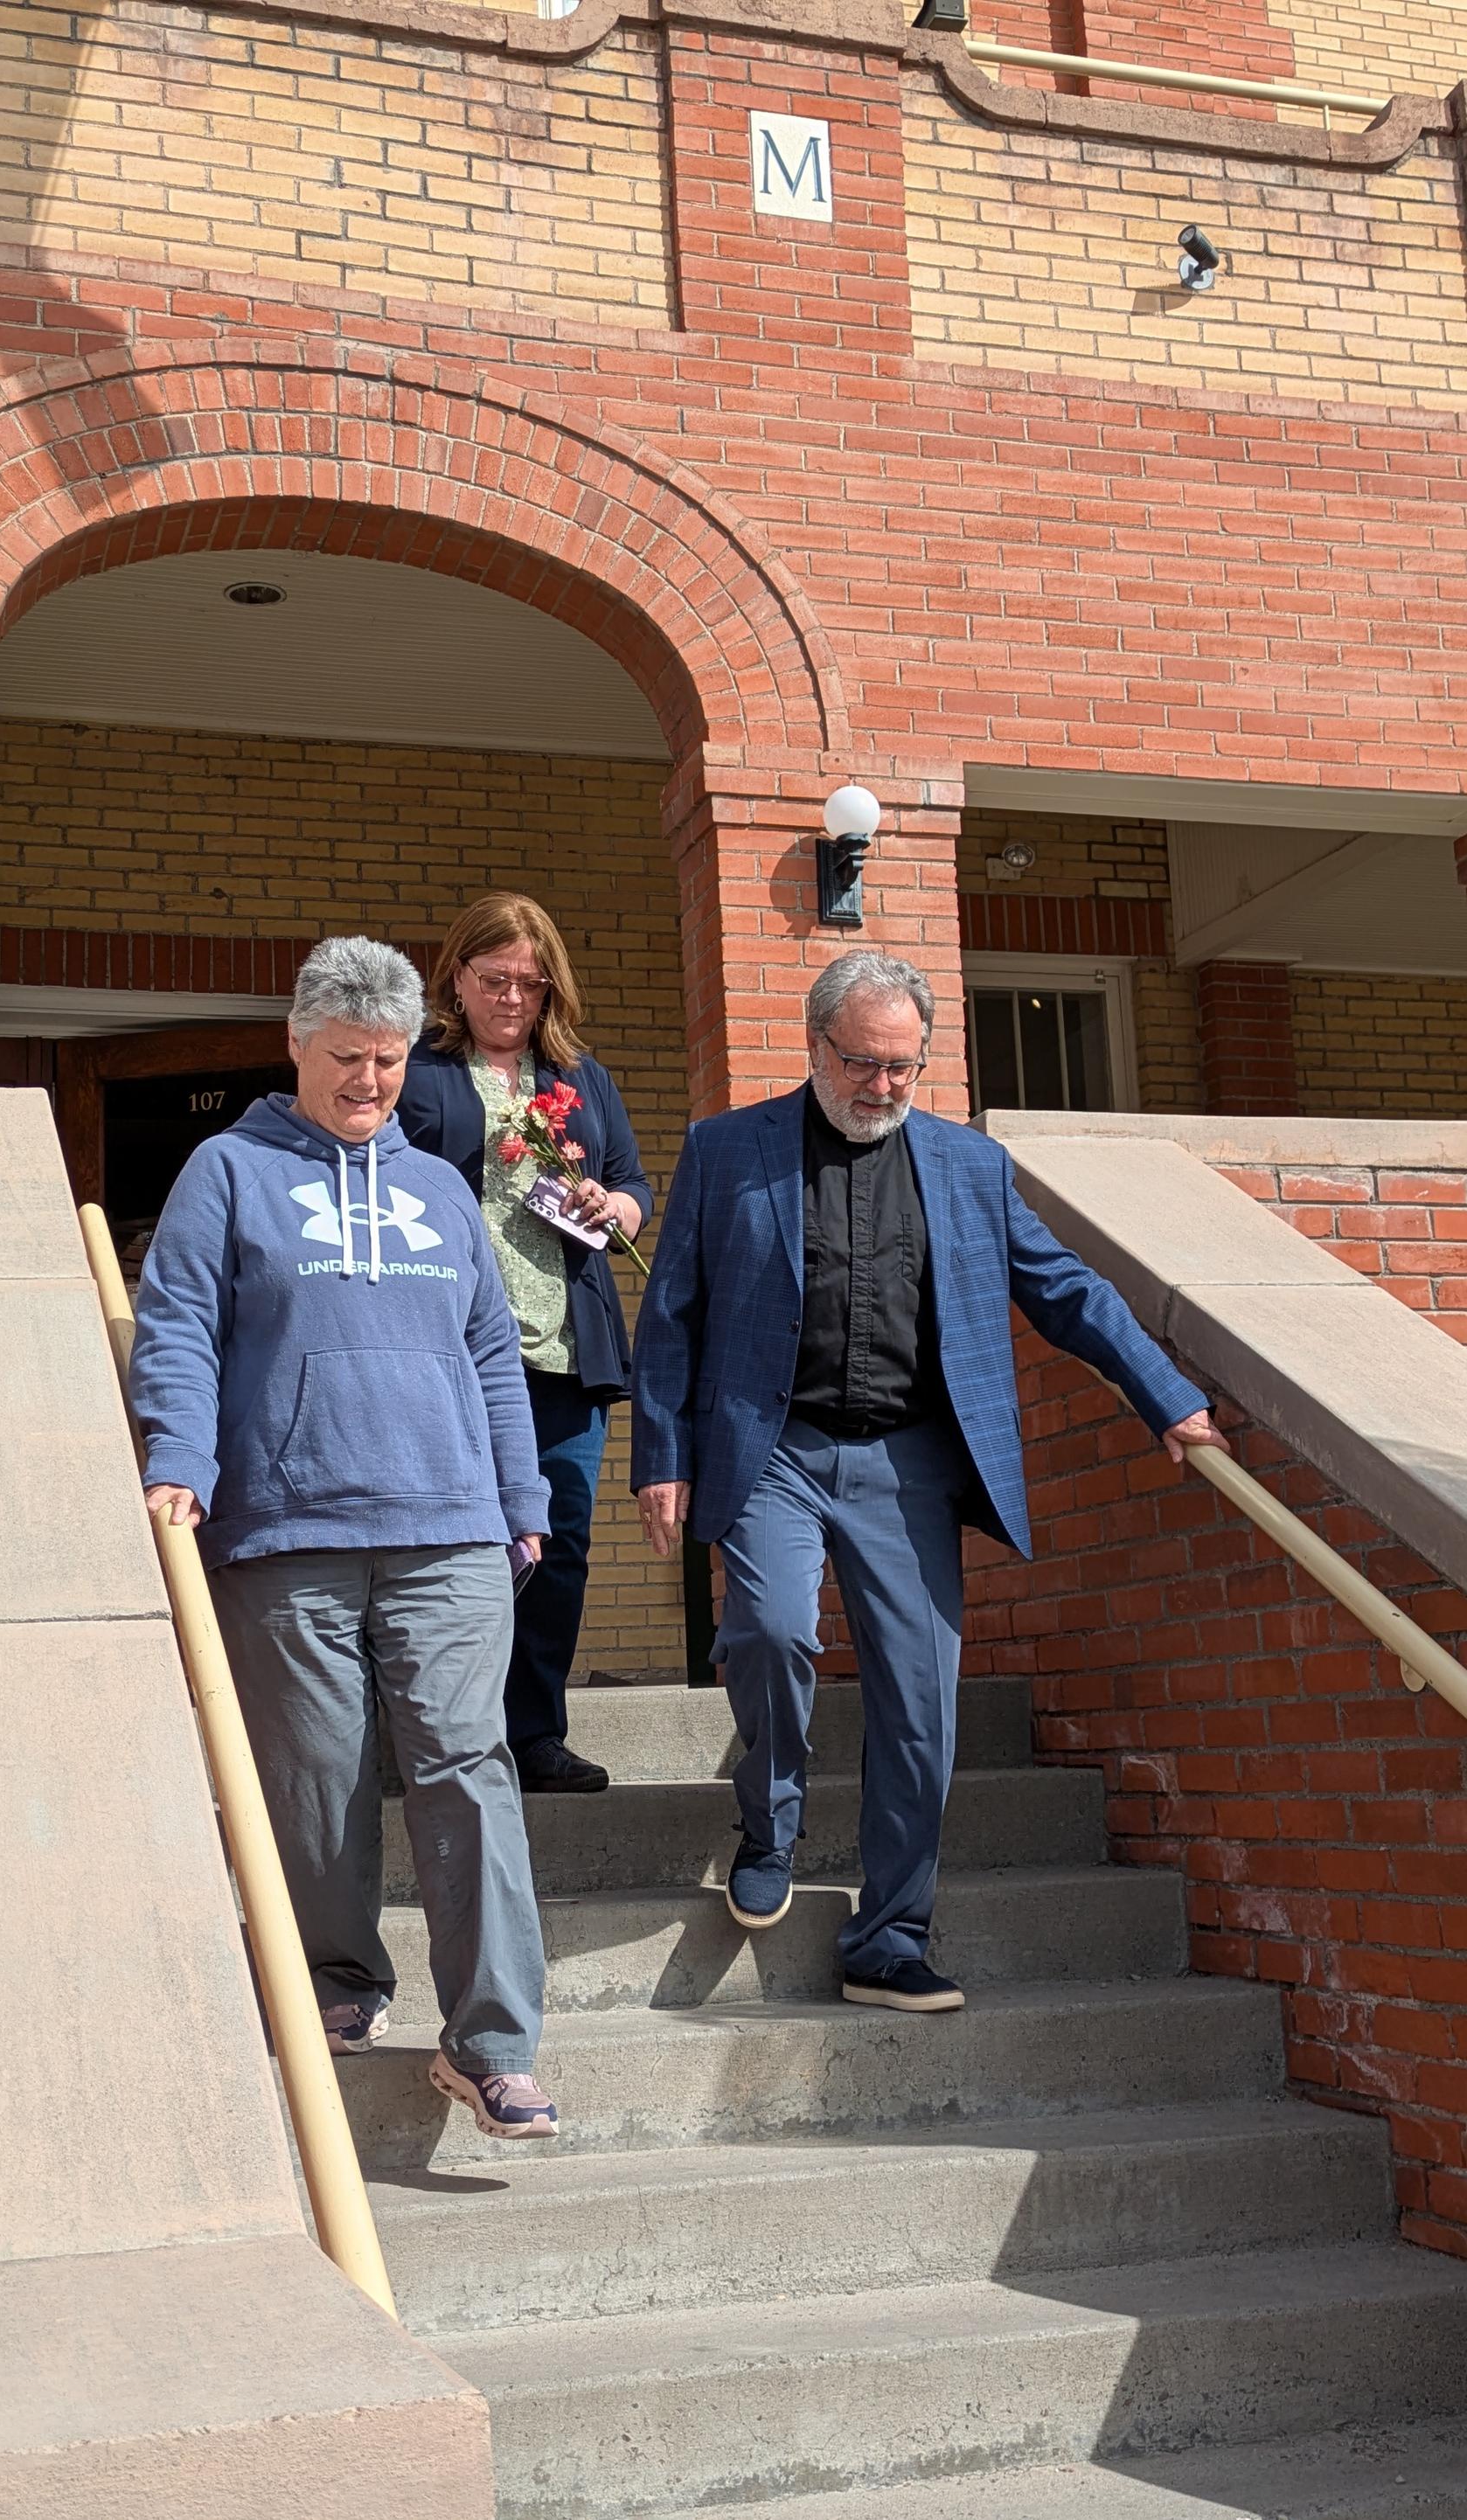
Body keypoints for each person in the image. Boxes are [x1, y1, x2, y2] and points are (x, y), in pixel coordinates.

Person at [630, 949, 1223, 2015]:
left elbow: (1065, 1290)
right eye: (864, 1063)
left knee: (920, 1708)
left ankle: (890, 1937)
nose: (885, 1088)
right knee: (768, 1630)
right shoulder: (729, 1151)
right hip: (775, 1448)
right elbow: (671, 1313)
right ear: (816, 1047)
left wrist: (1165, 1395)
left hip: (908, 1460)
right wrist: (664, 1457)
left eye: (906, 1067)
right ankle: (769, 1818)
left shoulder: (967, 1167)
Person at [129, 935, 565, 2141]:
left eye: (385, 1060)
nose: (369, 1082)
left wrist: (521, 1501)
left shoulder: (436, 1190)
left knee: (469, 1772)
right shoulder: (226, 1170)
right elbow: (179, 1326)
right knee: (315, 1776)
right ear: (296, 1043)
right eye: (345, 1059)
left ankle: (493, 2045)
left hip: (452, 1530)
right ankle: (337, 1980)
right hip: (288, 1528)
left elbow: (491, 1352)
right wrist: (180, 1460)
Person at [399, 893, 655, 1795]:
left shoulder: (583, 1078)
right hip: (449, 1351)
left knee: (562, 1545)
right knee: (453, 1542)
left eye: (530, 983)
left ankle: (534, 1734)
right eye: (495, 979)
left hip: (564, 1350)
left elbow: (631, 1184)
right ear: (457, 978)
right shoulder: (419, 1073)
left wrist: (612, 1206)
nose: (513, 998)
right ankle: (432, 1734)